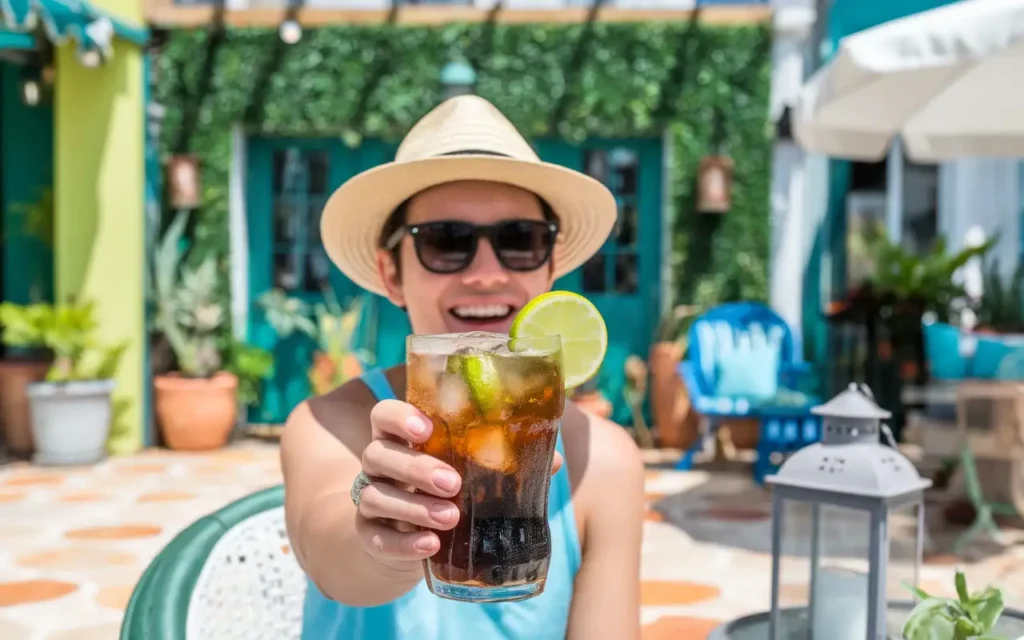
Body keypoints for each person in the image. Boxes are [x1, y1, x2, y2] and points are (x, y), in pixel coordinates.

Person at [281, 95, 645, 640]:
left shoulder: (607, 460)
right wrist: (388, 534)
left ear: (550, 264)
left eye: (519, 241)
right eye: (447, 243)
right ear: (391, 274)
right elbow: (332, 557)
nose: (485, 273)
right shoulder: (328, 422)